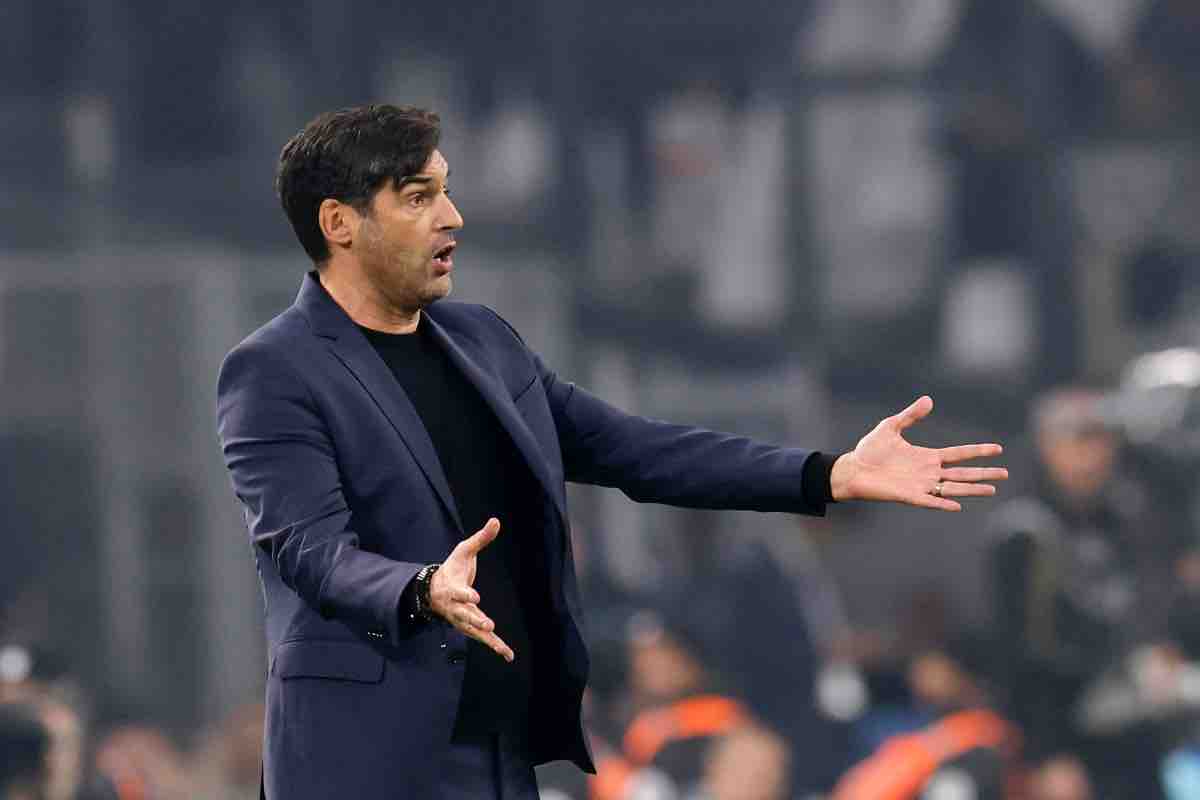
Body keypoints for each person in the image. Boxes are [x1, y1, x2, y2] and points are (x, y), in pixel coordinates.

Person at [215, 104, 1008, 799]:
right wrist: (420, 588)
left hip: (498, 750)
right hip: (363, 757)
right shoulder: (275, 370)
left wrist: (827, 473)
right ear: (339, 223)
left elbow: (636, 449)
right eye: (419, 198)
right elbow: (311, 551)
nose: (452, 216)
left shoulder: (484, 343)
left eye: (446, 190)